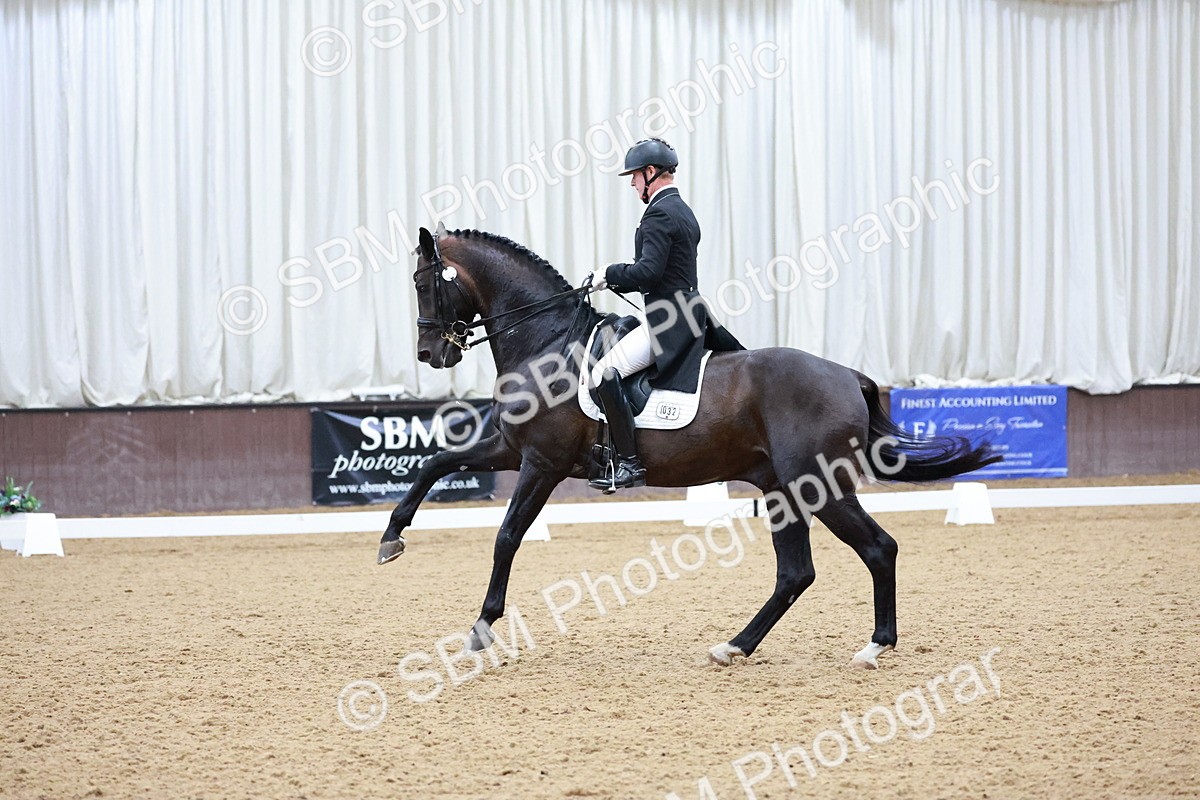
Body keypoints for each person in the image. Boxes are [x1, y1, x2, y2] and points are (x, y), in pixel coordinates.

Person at [589, 137, 743, 492]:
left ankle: (627, 464)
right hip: (690, 313)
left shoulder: (659, 213)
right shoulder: (683, 210)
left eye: (634, 177)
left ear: (650, 172)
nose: (631, 184)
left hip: (668, 321)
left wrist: (608, 274)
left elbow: (648, 273)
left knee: (603, 372)